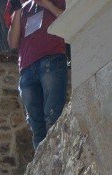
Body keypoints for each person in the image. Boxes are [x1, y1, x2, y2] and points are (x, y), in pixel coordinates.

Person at [7, 0, 67, 149]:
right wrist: (18, 11)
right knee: (37, 127)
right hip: (27, 70)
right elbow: (13, 43)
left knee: (53, 116)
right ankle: (44, 168)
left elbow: (68, 17)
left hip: (51, 59)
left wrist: (46, 4)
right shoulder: (18, 6)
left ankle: (58, 157)